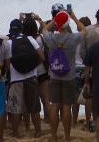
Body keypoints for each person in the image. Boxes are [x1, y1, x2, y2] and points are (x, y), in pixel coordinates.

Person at [42, 8, 87, 142]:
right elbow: (84, 30)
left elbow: (43, 30)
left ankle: (54, 137)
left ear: (57, 24)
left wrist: (55, 19)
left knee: (55, 105)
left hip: (54, 75)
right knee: (67, 106)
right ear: (67, 24)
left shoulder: (51, 38)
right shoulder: (73, 38)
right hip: (69, 76)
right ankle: (67, 137)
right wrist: (73, 16)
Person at [7, 17, 44, 139]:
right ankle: (38, 132)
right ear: (22, 29)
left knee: (15, 108)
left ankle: (16, 133)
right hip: (31, 77)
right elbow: (42, 57)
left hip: (15, 79)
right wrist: (33, 67)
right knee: (34, 107)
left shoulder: (9, 43)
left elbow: (7, 63)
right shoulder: (30, 39)